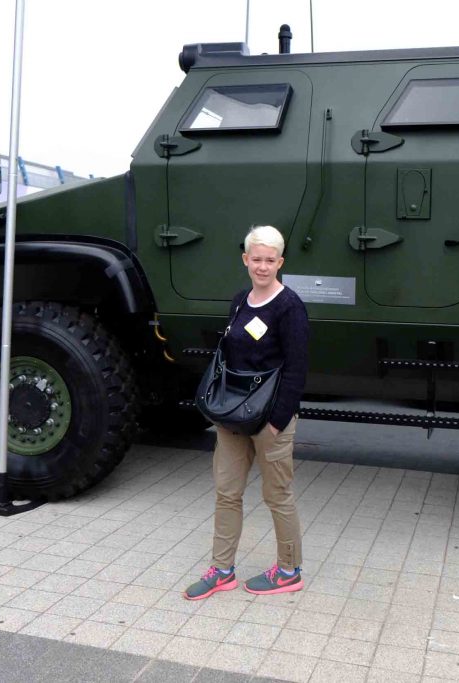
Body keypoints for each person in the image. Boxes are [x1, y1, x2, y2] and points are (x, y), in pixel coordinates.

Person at [184, 225, 309, 600]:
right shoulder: (240, 301)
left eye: (270, 260)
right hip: (233, 417)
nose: (263, 266)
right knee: (227, 494)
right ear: (245, 259)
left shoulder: (290, 307)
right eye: (256, 259)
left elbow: (297, 370)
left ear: (280, 262)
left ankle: (288, 571)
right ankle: (222, 571)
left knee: (278, 496)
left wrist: (277, 422)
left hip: (270, 420)